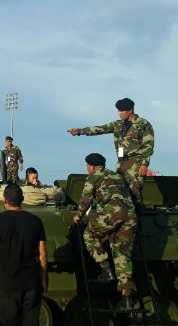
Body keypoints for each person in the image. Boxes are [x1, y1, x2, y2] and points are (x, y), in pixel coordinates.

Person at [73, 153, 137, 311]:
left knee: (89, 234)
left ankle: (106, 270)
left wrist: (78, 215)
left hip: (112, 214)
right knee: (123, 255)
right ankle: (127, 298)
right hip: (130, 216)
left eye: (87, 165)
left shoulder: (93, 177)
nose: (87, 168)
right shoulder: (117, 176)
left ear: (93, 166)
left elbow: (85, 199)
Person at [68, 98, 154, 204]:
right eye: (118, 111)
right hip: (121, 163)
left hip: (136, 163)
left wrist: (144, 164)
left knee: (134, 194)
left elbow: (148, 145)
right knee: (122, 193)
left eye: (122, 111)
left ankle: (137, 219)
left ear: (130, 110)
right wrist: (80, 131)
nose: (120, 114)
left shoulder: (143, 124)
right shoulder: (118, 124)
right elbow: (101, 129)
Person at [0, 185, 47, 326]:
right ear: (22, 199)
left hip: (8, 285)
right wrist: (43, 280)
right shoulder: (35, 221)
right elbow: (42, 254)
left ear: (4, 200)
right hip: (31, 283)